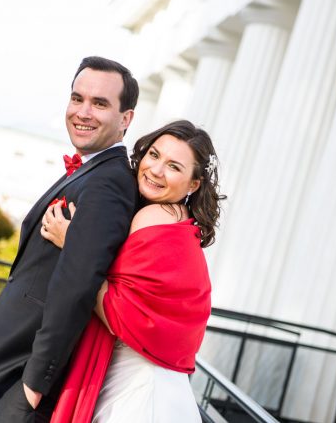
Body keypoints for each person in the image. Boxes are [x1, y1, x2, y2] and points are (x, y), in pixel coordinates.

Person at [0, 56, 140, 422]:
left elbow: (78, 286)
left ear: (125, 119)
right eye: (77, 98)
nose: (83, 112)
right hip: (12, 363)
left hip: (29, 378)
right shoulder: (92, 169)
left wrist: (34, 385)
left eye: (99, 103)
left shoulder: (109, 183)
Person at [42, 120, 225, 422]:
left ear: (194, 184)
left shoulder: (155, 215)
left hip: (139, 392)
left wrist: (73, 245)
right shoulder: (181, 222)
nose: (156, 170)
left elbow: (120, 312)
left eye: (174, 167)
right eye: (154, 155)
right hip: (162, 387)